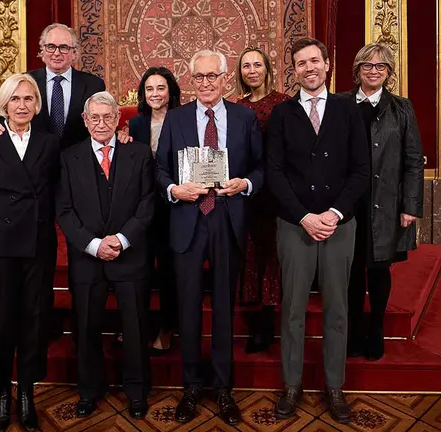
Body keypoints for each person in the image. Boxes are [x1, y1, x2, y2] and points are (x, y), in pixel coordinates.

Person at [155, 50, 263, 425]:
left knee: (222, 307)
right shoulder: (176, 118)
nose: (205, 83)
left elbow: (262, 167)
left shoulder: (244, 117)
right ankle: (191, 386)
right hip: (188, 218)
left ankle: (222, 387)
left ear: (224, 79)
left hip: (226, 218)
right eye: (198, 77)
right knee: (187, 307)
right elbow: (159, 169)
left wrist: (245, 183)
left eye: (211, 76)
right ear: (192, 80)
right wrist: (174, 190)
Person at [266, 38, 370, 423]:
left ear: (327, 64)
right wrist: (304, 217)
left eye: (314, 61)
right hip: (295, 225)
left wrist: (335, 213)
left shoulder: (348, 110)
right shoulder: (281, 114)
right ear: (293, 70)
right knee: (292, 308)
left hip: (339, 223)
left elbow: (361, 169)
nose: (308, 68)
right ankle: (292, 385)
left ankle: (334, 386)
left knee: (337, 308)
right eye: (301, 63)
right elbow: (274, 172)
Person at [0, 73, 59, 432]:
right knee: (2, 322)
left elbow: (57, 189)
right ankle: (2, 393)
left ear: (37, 105)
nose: (22, 105)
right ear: (4, 104)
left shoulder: (50, 143)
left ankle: (27, 392)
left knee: (35, 320)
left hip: (37, 243)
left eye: (28, 99)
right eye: (15, 99)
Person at [56, 91, 155, 420]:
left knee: (135, 328)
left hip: (130, 255)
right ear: (85, 121)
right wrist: (93, 244)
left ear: (117, 119)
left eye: (107, 117)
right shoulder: (69, 158)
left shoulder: (139, 154)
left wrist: (122, 240)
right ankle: (89, 390)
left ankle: (137, 392)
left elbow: (147, 204)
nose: (101, 123)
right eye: (94, 118)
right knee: (86, 328)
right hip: (87, 257)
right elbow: (64, 211)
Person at [346, 43, 424, 361]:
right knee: (350, 269)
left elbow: (413, 160)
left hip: (386, 203)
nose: (374, 71)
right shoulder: (340, 104)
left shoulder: (401, 108)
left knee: (379, 267)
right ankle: (353, 332)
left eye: (381, 66)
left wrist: (410, 206)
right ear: (357, 69)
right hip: (349, 202)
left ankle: (376, 327)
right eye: (368, 65)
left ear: (389, 72)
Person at [235, 46, 290, 353]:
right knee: (251, 252)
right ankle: (256, 318)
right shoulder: (238, 107)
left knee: (272, 252)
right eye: (246, 66)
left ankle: (270, 320)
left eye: (257, 65)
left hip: (277, 191)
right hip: (247, 190)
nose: (252, 70)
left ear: (268, 69)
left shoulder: (284, 103)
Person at [122, 67, 182, 355]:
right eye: (149, 89)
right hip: (142, 207)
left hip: (175, 206)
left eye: (160, 88)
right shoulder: (135, 124)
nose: (155, 94)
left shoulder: (184, 119)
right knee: (140, 269)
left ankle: (167, 327)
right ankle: (138, 327)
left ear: (171, 91)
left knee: (169, 270)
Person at [0, 23, 105, 147]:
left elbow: (104, 120)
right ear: (42, 50)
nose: (56, 53)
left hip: (77, 156)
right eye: (51, 47)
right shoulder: (25, 81)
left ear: (74, 52)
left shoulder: (94, 85)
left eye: (63, 47)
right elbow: (6, 113)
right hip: (34, 156)